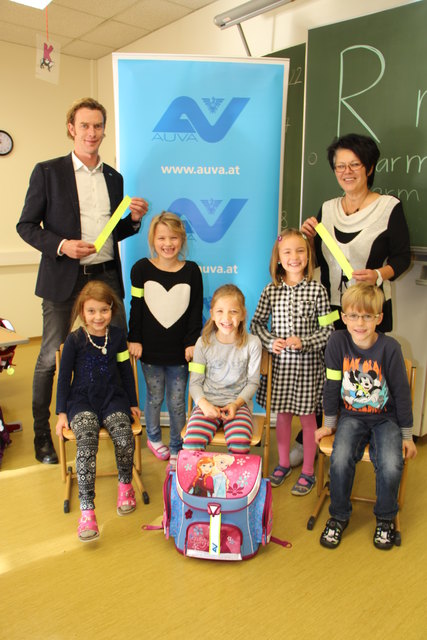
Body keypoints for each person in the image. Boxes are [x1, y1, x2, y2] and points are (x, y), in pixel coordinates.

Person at [17, 97, 148, 465]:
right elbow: (25, 226)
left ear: (104, 131)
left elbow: (114, 232)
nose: (92, 133)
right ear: (72, 129)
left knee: (118, 350)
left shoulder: (114, 177)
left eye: (98, 126)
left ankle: (122, 415)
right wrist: (61, 244)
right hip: (63, 277)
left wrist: (134, 221)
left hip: (105, 276)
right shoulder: (48, 172)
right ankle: (44, 434)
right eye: (85, 126)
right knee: (49, 357)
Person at [291, 133, 412, 469]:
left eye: (354, 165)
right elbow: (315, 259)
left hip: (370, 310)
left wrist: (377, 274)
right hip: (331, 310)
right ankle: (318, 440)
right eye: (339, 166)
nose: (346, 172)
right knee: (329, 376)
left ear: (369, 167)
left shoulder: (388, 207)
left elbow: (402, 259)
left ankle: (370, 436)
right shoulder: (328, 209)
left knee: (367, 380)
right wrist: (308, 239)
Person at [316, 283, 417, 550]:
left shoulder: (390, 348)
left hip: (387, 418)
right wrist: (328, 424)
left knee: (392, 463)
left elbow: (401, 393)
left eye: (367, 316)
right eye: (353, 315)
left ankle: (385, 518)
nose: (360, 323)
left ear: (378, 318)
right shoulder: (337, 342)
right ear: (344, 317)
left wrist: (407, 436)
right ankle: (338, 515)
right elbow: (331, 385)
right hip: (351, 416)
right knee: (339, 459)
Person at [55, 281, 141, 542]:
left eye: (103, 310)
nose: (98, 316)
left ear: (111, 310)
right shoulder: (75, 340)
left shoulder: (117, 337)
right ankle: (87, 511)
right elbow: (63, 378)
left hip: (113, 397)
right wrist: (61, 413)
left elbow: (126, 372)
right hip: (81, 401)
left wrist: (133, 402)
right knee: (87, 443)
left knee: (125, 438)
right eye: (91, 311)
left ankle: (125, 485)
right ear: (83, 313)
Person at [250, 229, 334, 495]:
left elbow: (328, 331)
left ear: (308, 256)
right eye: (287, 252)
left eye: (300, 251)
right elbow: (256, 324)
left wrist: (305, 341)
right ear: (278, 258)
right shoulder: (271, 290)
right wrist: (270, 340)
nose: (294, 257)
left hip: (309, 368)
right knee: (283, 417)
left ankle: (308, 470)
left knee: (309, 420)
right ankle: (284, 463)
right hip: (282, 368)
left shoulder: (319, 291)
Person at [128, 212, 203, 470]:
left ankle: (176, 446)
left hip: (180, 354)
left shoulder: (192, 271)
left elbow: (195, 310)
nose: (167, 243)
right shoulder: (141, 269)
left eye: (173, 237)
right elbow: (135, 306)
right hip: (150, 352)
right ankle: (153, 438)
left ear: (181, 240)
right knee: (154, 397)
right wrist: (134, 338)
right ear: (153, 240)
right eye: (162, 238)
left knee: (177, 401)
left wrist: (192, 341)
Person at [183, 284, 262, 456]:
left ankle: (233, 483)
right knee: (191, 444)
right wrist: (204, 405)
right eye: (220, 311)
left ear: (242, 314)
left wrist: (235, 404)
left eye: (233, 311)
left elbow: (253, 382)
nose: (226, 318)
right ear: (211, 314)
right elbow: (195, 383)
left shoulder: (253, 344)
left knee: (240, 444)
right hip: (207, 404)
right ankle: (197, 482)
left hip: (238, 406)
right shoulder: (202, 343)